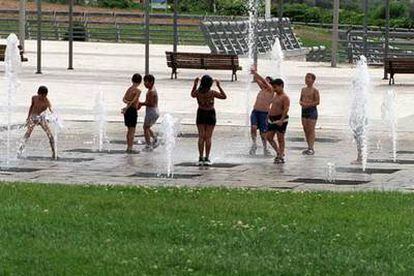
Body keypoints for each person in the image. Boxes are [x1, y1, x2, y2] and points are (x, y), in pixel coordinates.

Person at [191, 75, 227, 166]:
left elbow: (192, 95)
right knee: (208, 137)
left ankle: (200, 157)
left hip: (201, 113)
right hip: (210, 114)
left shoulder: (198, 92)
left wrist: (195, 84)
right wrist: (219, 86)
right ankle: (207, 157)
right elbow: (224, 96)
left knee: (201, 137)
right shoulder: (212, 93)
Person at [18, 86, 56, 159]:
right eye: (41, 95)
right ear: (38, 93)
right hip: (33, 116)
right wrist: (28, 117)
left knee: (50, 135)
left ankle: (54, 153)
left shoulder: (46, 102)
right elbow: (31, 106)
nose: (42, 97)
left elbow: (51, 110)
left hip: (41, 118)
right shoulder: (34, 98)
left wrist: (54, 117)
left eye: (44, 96)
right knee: (27, 134)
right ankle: (19, 151)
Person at [249, 68, 274, 156]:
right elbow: (257, 80)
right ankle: (254, 144)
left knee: (263, 133)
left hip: (264, 114)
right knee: (253, 127)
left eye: (267, 81)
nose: (265, 83)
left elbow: (263, 81)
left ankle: (265, 148)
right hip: (255, 112)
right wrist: (254, 73)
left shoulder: (271, 90)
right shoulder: (262, 90)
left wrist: (256, 73)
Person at [266, 78, 290, 164]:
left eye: (275, 87)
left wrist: (281, 120)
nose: (274, 89)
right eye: (273, 87)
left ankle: (280, 156)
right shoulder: (275, 95)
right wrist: (268, 116)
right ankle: (279, 152)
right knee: (269, 137)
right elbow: (272, 106)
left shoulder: (285, 97)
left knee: (280, 138)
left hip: (281, 119)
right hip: (272, 119)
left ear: (281, 86)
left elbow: (286, 109)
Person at [300, 73, 320, 155]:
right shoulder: (303, 89)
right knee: (305, 129)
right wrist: (302, 103)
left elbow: (317, 102)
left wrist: (308, 104)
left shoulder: (315, 90)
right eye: (306, 78)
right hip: (304, 110)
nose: (306, 79)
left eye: (308, 78)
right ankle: (308, 146)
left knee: (311, 129)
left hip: (312, 111)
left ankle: (311, 148)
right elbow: (300, 99)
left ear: (313, 80)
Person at [139, 74, 160, 152]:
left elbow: (151, 103)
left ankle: (148, 145)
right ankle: (155, 139)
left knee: (145, 128)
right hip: (154, 111)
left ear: (151, 82)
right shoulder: (152, 89)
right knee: (147, 127)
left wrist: (141, 103)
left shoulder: (151, 92)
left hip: (151, 111)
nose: (144, 84)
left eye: (146, 82)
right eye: (144, 82)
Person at [122, 73, 142, 153]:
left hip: (127, 111)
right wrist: (127, 107)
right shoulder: (138, 91)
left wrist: (126, 106)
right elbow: (133, 101)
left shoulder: (129, 89)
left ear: (132, 80)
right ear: (140, 82)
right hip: (132, 111)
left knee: (129, 130)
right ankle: (130, 148)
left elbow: (124, 99)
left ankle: (128, 147)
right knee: (132, 130)